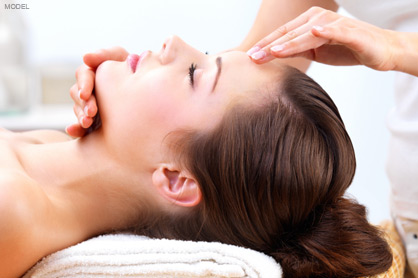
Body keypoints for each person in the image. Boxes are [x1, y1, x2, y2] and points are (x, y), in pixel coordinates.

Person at [0, 35, 392, 278]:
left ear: (176, 180)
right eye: (205, 53)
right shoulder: (43, 151)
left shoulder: (12, 212)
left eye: (193, 73)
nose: (173, 42)